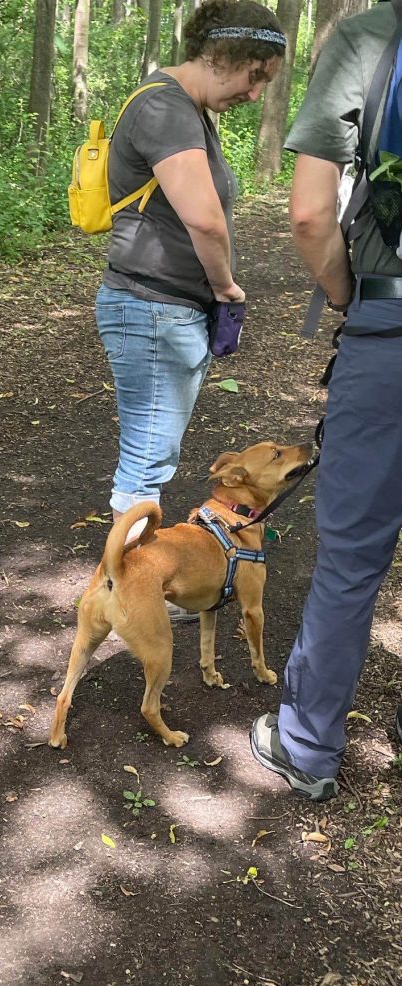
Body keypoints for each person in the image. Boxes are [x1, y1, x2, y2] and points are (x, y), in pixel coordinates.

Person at [250, 0, 402, 801]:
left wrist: (353, 296)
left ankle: (306, 748)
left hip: (390, 326)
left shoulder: (371, 36)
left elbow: (310, 210)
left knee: (349, 559)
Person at [96, 0, 285, 621]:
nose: (256, 95)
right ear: (222, 55)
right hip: (153, 310)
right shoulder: (164, 107)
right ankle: (129, 589)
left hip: (162, 310)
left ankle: (127, 582)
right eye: (256, 76)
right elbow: (203, 215)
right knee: (148, 457)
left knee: (153, 452)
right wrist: (227, 287)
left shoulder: (185, 110)